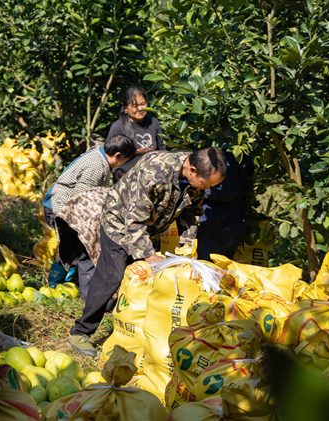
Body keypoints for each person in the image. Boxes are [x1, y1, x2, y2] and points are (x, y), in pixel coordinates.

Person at [67, 147, 227, 357]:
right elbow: (134, 222)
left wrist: (187, 248)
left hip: (150, 226)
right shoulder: (154, 172)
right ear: (193, 169)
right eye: (206, 185)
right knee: (112, 275)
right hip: (120, 221)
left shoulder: (195, 174)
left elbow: (191, 213)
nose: (207, 189)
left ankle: (131, 328)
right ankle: (81, 331)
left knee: (144, 279)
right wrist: (149, 256)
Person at [41, 135, 136, 294]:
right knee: (80, 247)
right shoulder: (95, 166)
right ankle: (58, 286)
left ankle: (66, 286)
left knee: (74, 248)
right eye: (124, 161)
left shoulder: (100, 157)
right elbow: (83, 199)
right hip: (62, 206)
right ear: (117, 155)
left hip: (70, 206)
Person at [196, 149, 254, 261]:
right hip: (229, 224)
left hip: (215, 227)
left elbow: (225, 191)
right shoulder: (241, 148)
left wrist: (196, 187)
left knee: (207, 271)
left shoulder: (224, 150)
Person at [106, 86, 167, 181]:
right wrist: (116, 170)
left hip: (154, 176)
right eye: (135, 106)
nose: (140, 109)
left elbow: (162, 148)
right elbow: (110, 155)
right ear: (126, 107)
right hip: (128, 178)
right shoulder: (118, 127)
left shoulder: (154, 122)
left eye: (143, 104)